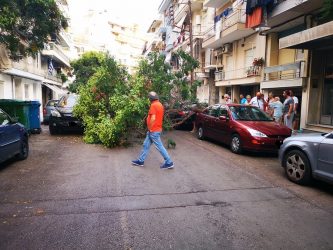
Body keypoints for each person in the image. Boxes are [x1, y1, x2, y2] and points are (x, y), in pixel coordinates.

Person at [132, 91, 174, 169]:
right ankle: (141, 161)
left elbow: (153, 118)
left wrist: (150, 128)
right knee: (146, 145)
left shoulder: (154, 105)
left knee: (160, 146)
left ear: (150, 99)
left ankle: (169, 162)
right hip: (155, 129)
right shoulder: (160, 104)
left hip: (153, 130)